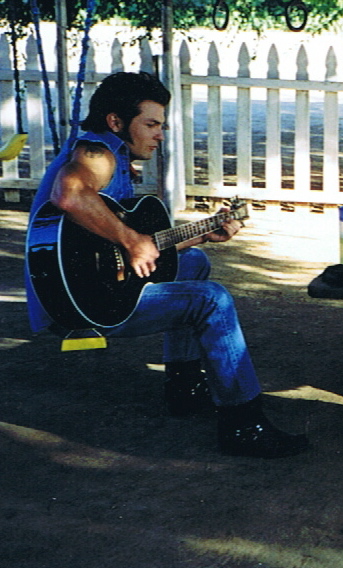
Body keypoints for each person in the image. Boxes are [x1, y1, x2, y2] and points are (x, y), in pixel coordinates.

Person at [24, 71, 309, 459]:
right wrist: (130, 239)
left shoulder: (108, 152)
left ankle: (185, 388)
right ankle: (245, 425)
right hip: (82, 304)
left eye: (162, 125)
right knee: (212, 300)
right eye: (152, 124)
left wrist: (205, 232)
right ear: (115, 121)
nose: (160, 134)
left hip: (83, 289)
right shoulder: (98, 154)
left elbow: (144, 245)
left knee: (192, 261)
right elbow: (69, 195)